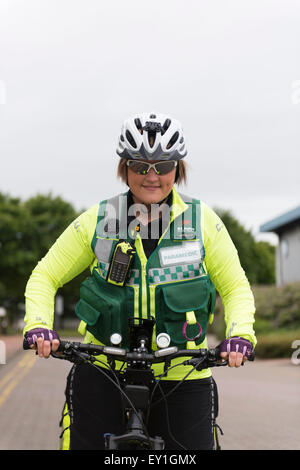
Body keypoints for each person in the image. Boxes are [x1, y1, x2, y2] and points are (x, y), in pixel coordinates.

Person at [23, 112, 256, 450]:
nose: (152, 176)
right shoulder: (100, 218)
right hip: (103, 367)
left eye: (162, 166)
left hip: (182, 370)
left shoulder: (202, 221)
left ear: (178, 168)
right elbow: (45, 275)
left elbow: (235, 286)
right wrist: (39, 325)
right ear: (124, 168)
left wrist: (239, 335)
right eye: (139, 165)